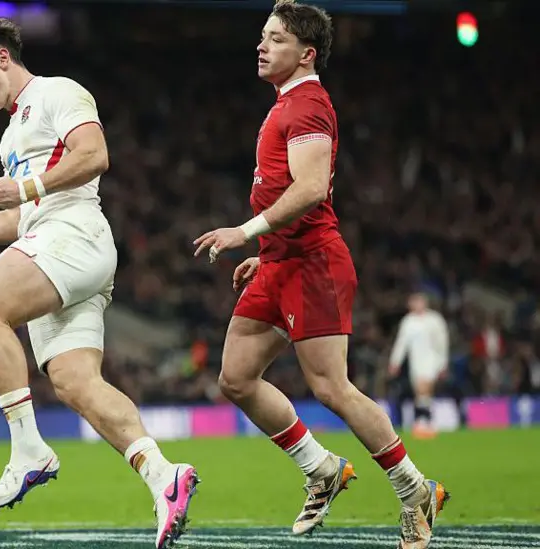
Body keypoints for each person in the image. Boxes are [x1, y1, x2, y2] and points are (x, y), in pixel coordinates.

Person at [0, 19, 199, 549]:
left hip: (73, 235)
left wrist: (29, 186)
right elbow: (19, 219)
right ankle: (165, 476)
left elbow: (94, 156)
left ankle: (28, 450)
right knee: (74, 382)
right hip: (51, 241)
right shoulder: (9, 137)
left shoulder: (57, 92)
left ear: (2, 57)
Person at [192, 2, 448, 548]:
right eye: (263, 36)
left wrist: (245, 232)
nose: (262, 46)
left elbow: (310, 189)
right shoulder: (286, 103)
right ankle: (322, 468)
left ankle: (415, 490)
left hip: (313, 264)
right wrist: (268, 251)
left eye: (276, 39)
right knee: (236, 378)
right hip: (281, 261)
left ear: (306, 54)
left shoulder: (308, 105)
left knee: (332, 388)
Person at [389, 292, 450, 439]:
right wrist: (395, 362)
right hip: (415, 360)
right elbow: (401, 343)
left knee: (425, 387)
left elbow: (442, 342)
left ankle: (423, 420)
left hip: (432, 359)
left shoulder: (435, 319)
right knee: (420, 392)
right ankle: (424, 421)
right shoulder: (408, 322)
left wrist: (443, 363)